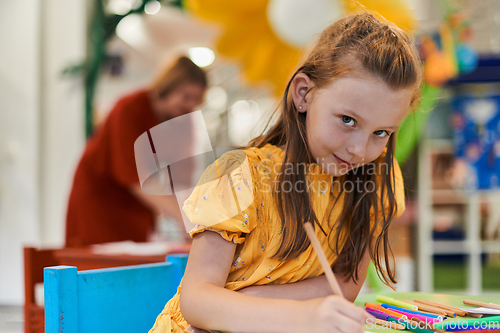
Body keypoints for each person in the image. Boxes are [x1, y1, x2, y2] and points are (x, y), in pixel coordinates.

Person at [149, 13, 422, 333]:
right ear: (304, 94)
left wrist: (244, 302)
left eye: (382, 133)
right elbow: (196, 301)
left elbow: (344, 286)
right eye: (348, 120)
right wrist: (298, 315)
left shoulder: (375, 182)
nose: (359, 150)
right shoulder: (242, 176)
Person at [65, 56, 207, 247]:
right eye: (186, 96)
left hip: (136, 204)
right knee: (99, 263)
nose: (190, 105)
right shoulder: (129, 108)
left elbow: (181, 181)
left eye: (196, 100)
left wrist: (192, 220)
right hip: (99, 198)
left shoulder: (183, 120)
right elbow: (135, 178)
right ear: (168, 86)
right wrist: (185, 221)